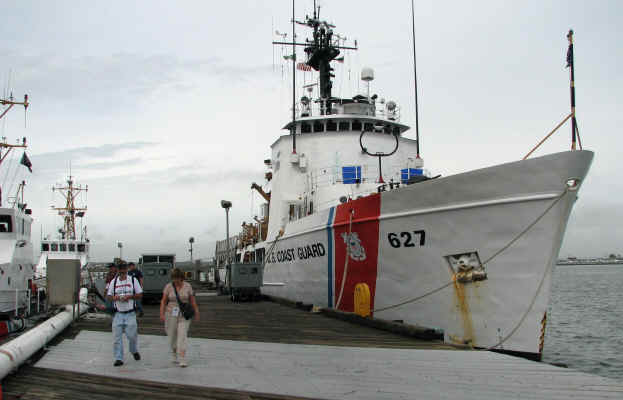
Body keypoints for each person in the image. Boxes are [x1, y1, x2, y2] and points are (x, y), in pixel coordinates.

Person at [160, 268, 200, 367]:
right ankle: (174, 352)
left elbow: (192, 300)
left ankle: (182, 358)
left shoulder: (188, 286)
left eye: (177, 278)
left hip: (184, 314)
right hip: (170, 314)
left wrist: (196, 312)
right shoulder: (168, 286)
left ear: (181, 277)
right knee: (172, 336)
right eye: (174, 278)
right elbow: (163, 301)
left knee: (182, 336)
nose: (175, 280)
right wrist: (162, 314)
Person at [106, 262, 143, 367]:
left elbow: (140, 294)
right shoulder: (113, 282)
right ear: (118, 270)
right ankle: (119, 358)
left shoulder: (133, 280)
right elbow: (109, 296)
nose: (122, 272)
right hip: (118, 314)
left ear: (127, 270)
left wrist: (129, 297)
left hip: (130, 313)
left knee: (132, 336)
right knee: (116, 338)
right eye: (120, 270)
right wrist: (116, 298)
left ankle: (133, 350)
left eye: (124, 270)